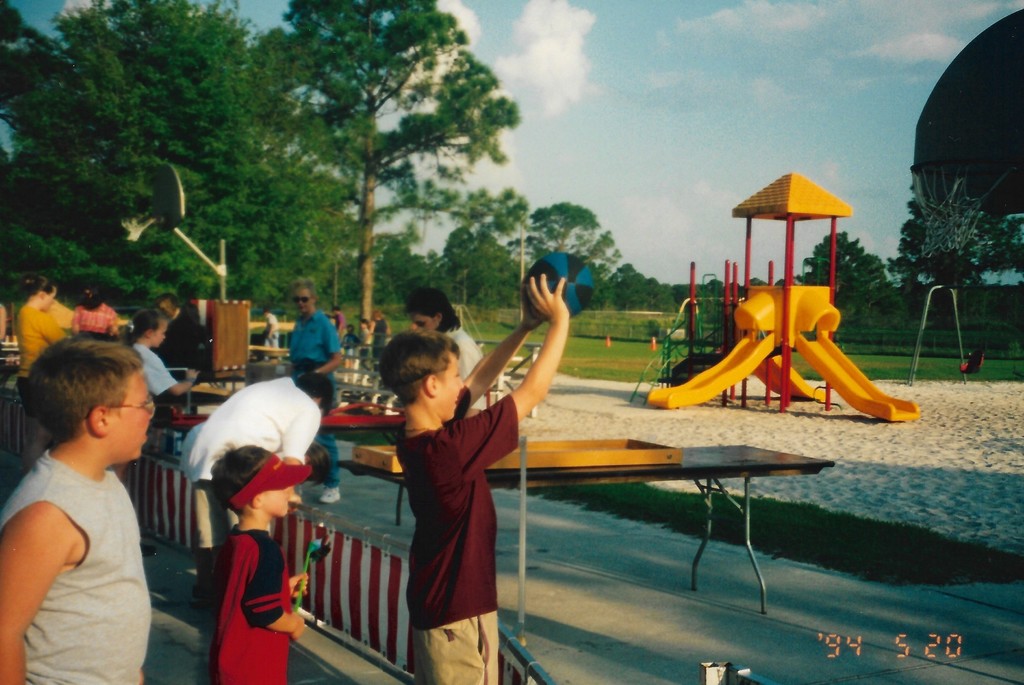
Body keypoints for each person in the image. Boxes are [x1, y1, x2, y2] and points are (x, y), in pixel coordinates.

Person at [378, 274, 569, 684]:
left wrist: (523, 328)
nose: (460, 386)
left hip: (444, 604)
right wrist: (560, 322)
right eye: (452, 379)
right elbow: (531, 393)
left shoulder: (419, 438)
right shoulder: (447, 450)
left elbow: (479, 380)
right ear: (431, 386)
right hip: (457, 613)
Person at [0, 338, 152, 684]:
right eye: (144, 404)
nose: (149, 416)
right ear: (101, 418)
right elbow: (4, 632)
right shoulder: (47, 514)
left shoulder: (105, 480)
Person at [182, 372, 334, 606]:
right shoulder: (308, 410)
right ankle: (243, 599)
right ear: (320, 401)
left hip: (203, 452)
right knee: (248, 537)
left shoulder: (270, 389)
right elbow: (293, 461)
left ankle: (206, 589)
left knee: (210, 534)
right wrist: (290, 495)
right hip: (236, 467)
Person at [208, 446, 309, 684]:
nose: (288, 491)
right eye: (281, 485)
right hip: (255, 669)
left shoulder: (236, 541)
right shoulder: (266, 549)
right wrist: (294, 623)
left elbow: (243, 592)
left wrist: (281, 588)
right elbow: (266, 613)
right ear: (258, 498)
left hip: (229, 662)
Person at [288, 278, 343, 504]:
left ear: (314, 299)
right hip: (299, 379)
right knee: (297, 433)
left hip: (318, 380)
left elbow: (336, 358)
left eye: (305, 299)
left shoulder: (323, 324)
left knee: (323, 434)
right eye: (297, 300)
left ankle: (333, 484)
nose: (301, 303)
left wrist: (317, 374)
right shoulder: (298, 324)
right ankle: (298, 480)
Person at [15, 272, 66, 471]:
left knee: (35, 435)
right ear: (42, 295)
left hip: (26, 377)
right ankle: (34, 482)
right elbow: (65, 343)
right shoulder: (39, 317)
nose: (53, 304)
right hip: (40, 379)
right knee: (42, 435)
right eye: (52, 299)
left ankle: (28, 480)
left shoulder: (23, 313)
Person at [406, 286, 485, 412]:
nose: (414, 329)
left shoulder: (462, 346)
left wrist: (460, 431)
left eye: (421, 324)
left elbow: (473, 400)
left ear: (438, 317)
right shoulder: (439, 343)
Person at [127, 308, 199, 399]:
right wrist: (190, 379)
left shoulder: (128, 350)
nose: (164, 337)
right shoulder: (148, 358)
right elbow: (176, 390)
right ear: (149, 333)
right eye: (162, 333)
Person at [153, 292, 211, 374]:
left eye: (163, 310)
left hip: (182, 364)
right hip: (168, 362)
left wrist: (210, 343)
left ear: (172, 307)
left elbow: (208, 338)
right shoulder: (165, 320)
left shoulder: (189, 322)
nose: (160, 313)